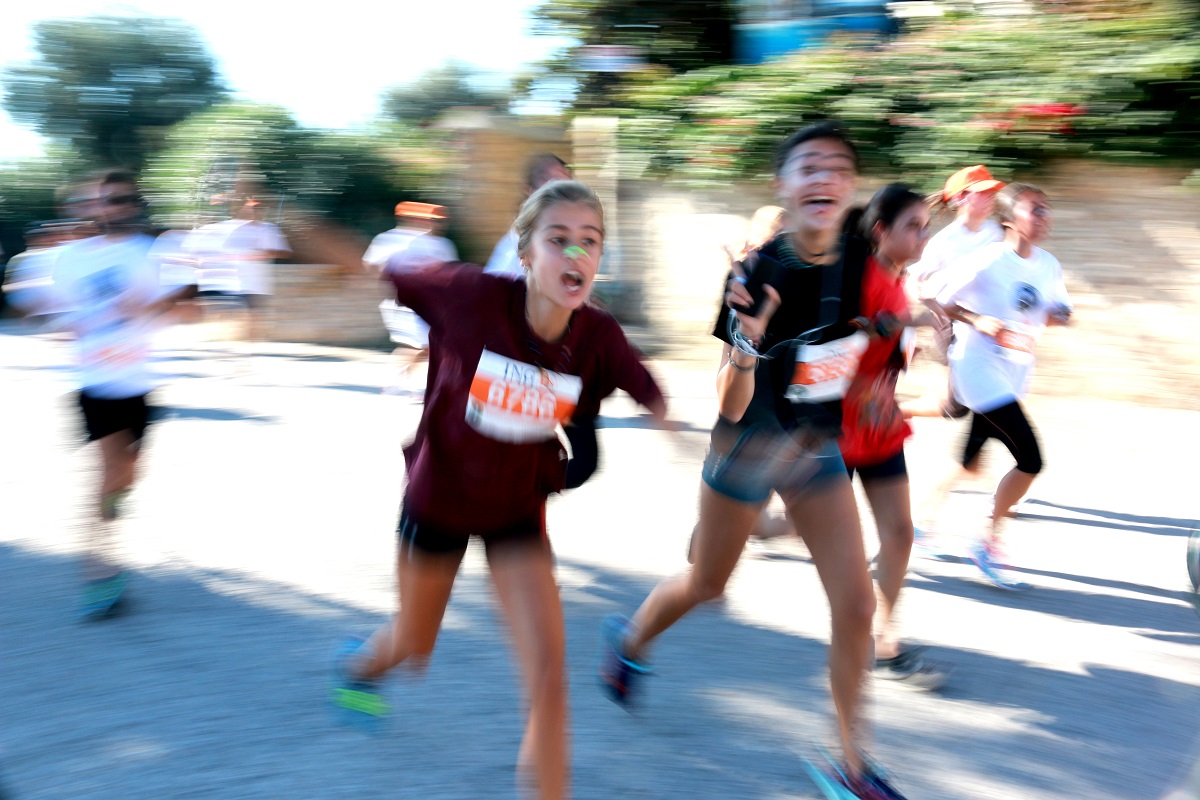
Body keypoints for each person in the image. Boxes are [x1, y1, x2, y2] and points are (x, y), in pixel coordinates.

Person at [599, 122, 909, 800]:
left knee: (856, 605)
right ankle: (630, 639)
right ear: (785, 185)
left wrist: (893, 361)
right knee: (708, 584)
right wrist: (747, 343)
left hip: (812, 450)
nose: (823, 176)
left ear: (848, 186)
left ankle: (851, 765)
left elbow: (872, 331)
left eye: (836, 166)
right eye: (808, 166)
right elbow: (730, 401)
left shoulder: (861, 264)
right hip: (744, 450)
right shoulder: (757, 272)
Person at [332, 180, 669, 800]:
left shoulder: (597, 335)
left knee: (548, 677)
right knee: (414, 645)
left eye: (589, 242)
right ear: (525, 254)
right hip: (440, 503)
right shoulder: (470, 295)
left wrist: (675, 426)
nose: (575, 254)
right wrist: (340, 245)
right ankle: (359, 667)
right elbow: (385, 271)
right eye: (558, 238)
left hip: (518, 514)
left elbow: (651, 392)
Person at [6, 170, 196, 618]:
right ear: (92, 206)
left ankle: (109, 510)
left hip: (140, 380)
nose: (113, 207)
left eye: (122, 199)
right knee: (108, 473)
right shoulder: (68, 257)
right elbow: (35, 304)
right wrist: (50, 318)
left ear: (134, 203)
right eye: (105, 200)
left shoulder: (153, 252)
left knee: (129, 474)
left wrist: (152, 306)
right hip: (94, 380)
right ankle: (100, 568)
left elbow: (190, 307)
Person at [925, 182, 1072, 589]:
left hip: (1015, 370)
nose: (1044, 216)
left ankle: (922, 523)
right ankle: (988, 541)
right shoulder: (986, 260)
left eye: (1046, 209)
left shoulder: (1048, 264)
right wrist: (976, 320)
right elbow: (937, 296)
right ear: (1009, 220)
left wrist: (1058, 314)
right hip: (978, 367)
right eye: (1035, 209)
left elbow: (1062, 309)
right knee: (1031, 458)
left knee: (969, 458)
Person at [839, 184, 946, 688]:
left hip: (878, 423)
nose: (924, 235)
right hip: (835, 426)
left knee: (899, 533)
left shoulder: (899, 280)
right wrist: (900, 323)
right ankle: (747, 527)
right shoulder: (855, 273)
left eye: (926, 226)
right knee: (815, 533)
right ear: (882, 231)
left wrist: (918, 347)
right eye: (914, 226)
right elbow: (847, 330)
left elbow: (888, 349)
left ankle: (883, 636)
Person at [900, 165, 1004, 419]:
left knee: (989, 401)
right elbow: (913, 276)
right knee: (957, 407)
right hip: (954, 325)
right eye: (983, 192)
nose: (991, 196)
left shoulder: (997, 233)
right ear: (961, 198)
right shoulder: (945, 241)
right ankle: (897, 410)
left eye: (992, 191)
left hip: (988, 325)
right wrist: (922, 299)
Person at [363, 201, 458, 395]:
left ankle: (400, 380)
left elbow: (451, 273)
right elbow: (371, 265)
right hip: (402, 303)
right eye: (431, 219)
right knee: (422, 343)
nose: (434, 224)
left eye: (436, 221)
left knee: (428, 345)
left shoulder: (441, 244)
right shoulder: (389, 239)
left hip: (431, 302)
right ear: (412, 218)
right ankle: (398, 382)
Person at [484, 153, 572, 278]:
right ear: (531, 192)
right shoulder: (514, 251)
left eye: (568, 185)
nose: (564, 194)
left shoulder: (565, 242)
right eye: (553, 183)